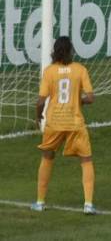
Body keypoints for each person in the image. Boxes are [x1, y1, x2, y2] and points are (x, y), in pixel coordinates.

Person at [32, 37, 96, 215]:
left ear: (54, 51)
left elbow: (40, 101)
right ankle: (88, 204)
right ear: (71, 51)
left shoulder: (49, 72)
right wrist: (79, 100)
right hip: (75, 122)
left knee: (47, 157)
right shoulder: (80, 70)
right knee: (86, 160)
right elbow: (91, 97)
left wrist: (38, 116)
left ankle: (39, 202)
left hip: (54, 122)